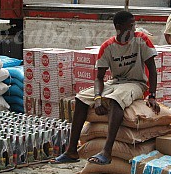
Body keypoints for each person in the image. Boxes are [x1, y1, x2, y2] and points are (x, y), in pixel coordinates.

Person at [53, 10, 159, 165]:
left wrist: (152, 95)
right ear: (118, 27)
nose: (134, 29)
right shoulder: (107, 47)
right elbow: (99, 78)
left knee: (115, 99)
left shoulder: (141, 40)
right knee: (81, 98)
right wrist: (97, 99)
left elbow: (153, 68)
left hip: (136, 83)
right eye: (130, 26)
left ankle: (107, 151)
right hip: (115, 82)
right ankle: (71, 151)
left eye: (134, 25)